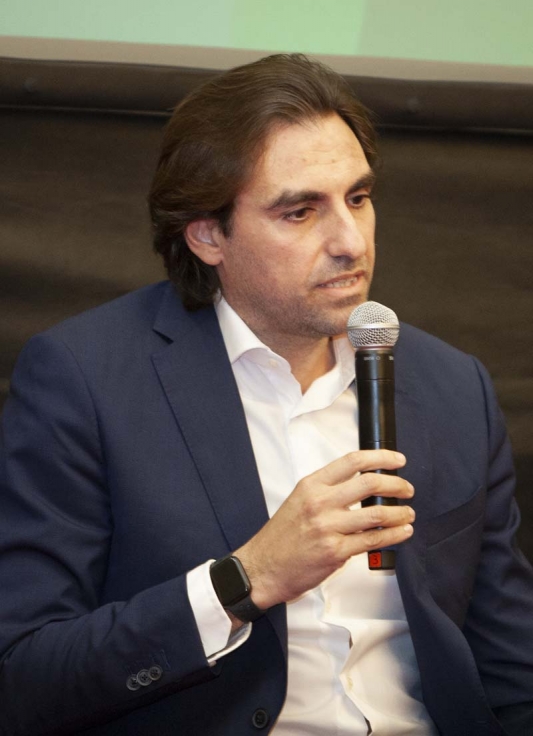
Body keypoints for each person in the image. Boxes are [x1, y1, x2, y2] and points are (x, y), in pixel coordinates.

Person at [0, 54, 532, 736]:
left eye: (358, 198)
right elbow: (23, 677)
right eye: (300, 211)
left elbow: (511, 664)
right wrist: (246, 579)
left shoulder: (452, 386)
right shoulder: (86, 380)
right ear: (207, 235)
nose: (350, 242)